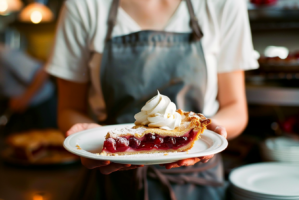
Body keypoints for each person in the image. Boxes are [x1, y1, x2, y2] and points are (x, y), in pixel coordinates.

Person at [46, 0, 258, 199]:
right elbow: (69, 109)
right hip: (110, 179)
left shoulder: (222, 4)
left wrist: (207, 132)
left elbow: (235, 107)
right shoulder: (84, 5)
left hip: (196, 183)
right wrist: (89, 135)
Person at [0, 44, 57, 133]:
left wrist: (24, 99)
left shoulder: (4, 54)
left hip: (42, 104)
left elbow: (41, 72)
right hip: (18, 108)